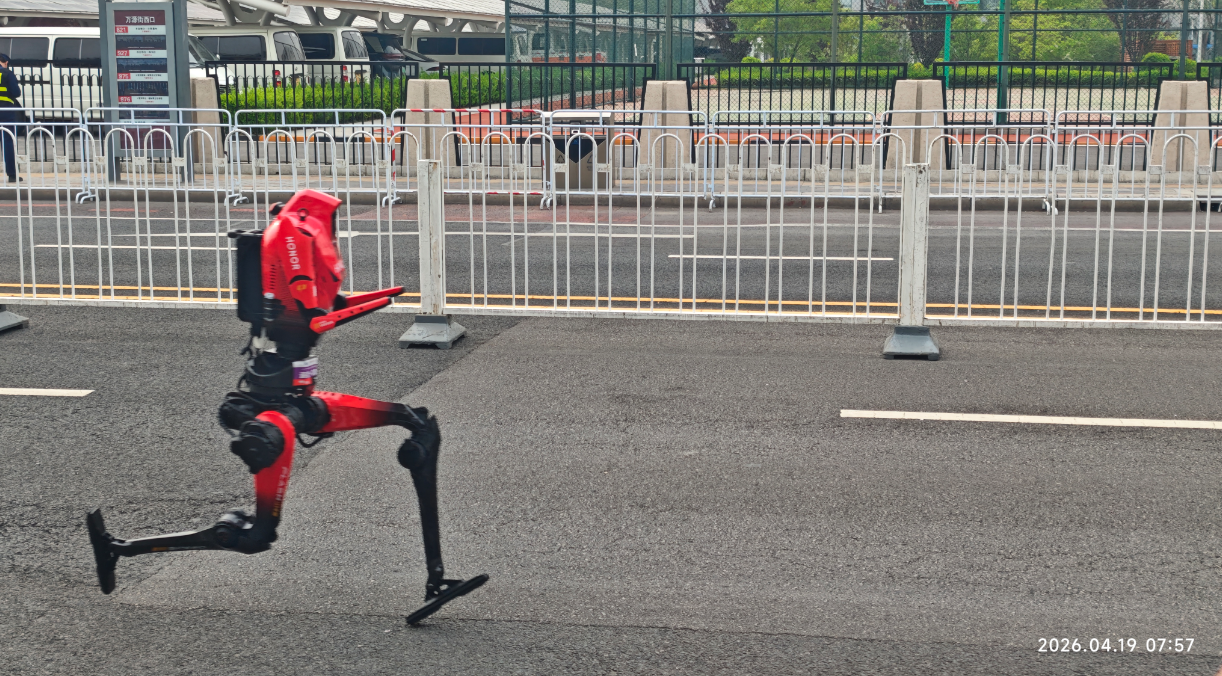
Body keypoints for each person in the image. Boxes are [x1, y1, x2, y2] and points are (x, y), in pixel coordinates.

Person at [86, 189, 487, 624]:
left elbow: (321, 309)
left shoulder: (305, 239)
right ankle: (121, 549)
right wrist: (367, 304)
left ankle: (436, 578)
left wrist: (377, 298)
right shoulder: (291, 234)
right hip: (271, 414)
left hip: (301, 403)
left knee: (418, 423)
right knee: (257, 536)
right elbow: (316, 317)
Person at [0, 53, 22, 183]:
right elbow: (16, 93)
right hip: (6, 112)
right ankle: (12, 174)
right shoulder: (7, 74)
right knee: (8, 141)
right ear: (6, 62)